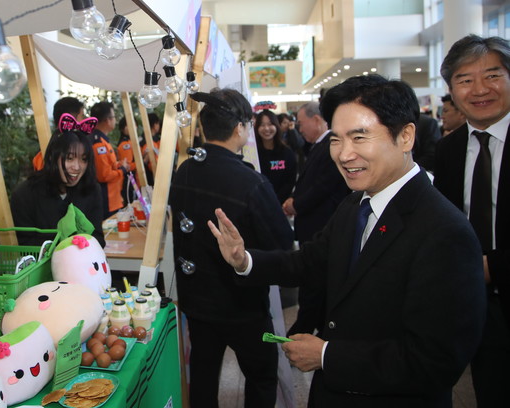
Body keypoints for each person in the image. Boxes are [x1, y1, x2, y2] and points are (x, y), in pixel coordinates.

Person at [208, 75, 485, 407]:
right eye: (337, 140)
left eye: (359, 137)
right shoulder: (356, 204)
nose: (344, 154)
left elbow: (436, 361)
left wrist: (327, 355)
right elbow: (310, 261)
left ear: (405, 136)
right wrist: (244, 260)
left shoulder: (444, 231)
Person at [169, 89, 293, 408]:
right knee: (261, 376)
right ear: (240, 127)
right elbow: (281, 247)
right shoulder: (250, 182)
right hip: (243, 306)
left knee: (203, 377)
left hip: (197, 302)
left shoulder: (184, 171)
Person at [433, 34, 510, 407]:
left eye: (492, 75)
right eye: (465, 80)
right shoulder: (448, 149)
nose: (479, 89)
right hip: (475, 307)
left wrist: (490, 267)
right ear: (451, 91)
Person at [283, 101, 350, 335]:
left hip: (321, 225)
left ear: (317, 120)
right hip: (312, 225)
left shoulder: (331, 145)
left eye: (301, 123)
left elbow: (323, 186)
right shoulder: (319, 146)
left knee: (315, 284)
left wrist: (297, 204)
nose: (299, 128)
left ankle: (302, 332)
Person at [11, 116, 104, 247]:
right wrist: (64, 247)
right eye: (70, 158)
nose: (77, 167)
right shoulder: (25, 194)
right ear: (52, 157)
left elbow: (98, 238)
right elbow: (25, 244)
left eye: (83, 159)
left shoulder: (91, 190)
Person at [90, 101, 129, 219]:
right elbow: (104, 175)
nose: (115, 120)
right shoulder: (99, 144)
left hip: (113, 197)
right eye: (114, 117)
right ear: (107, 120)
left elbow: (107, 166)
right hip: (107, 199)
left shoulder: (103, 141)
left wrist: (118, 165)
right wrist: (123, 169)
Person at [254, 109, 297, 203]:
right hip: (258, 203)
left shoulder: (287, 153)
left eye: (270, 124)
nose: (266, 128)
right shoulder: (253, 153)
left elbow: (290, 181)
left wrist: (276, 202)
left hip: (280, 203)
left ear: (276, 126)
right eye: (262, 125)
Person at [32, 96, 86, 172]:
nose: (84, 121)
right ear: (71, 119)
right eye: (82, 116)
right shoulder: (75, 147)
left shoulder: (43, 151)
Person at [117, 116, 138, 206]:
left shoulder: (130, 141)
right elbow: (128, 166)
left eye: (135, 125)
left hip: (131, 178)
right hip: (128, 179)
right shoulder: (125, 144)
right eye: (129, 125)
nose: (134, 127)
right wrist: (140, 163)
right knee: (131, 204)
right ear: (123, 128)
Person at [140, 112, 161, 185]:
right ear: (154, 125)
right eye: (158, 124)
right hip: (151, 176)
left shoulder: (156, 139)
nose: (159, 126)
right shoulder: (146, 141)